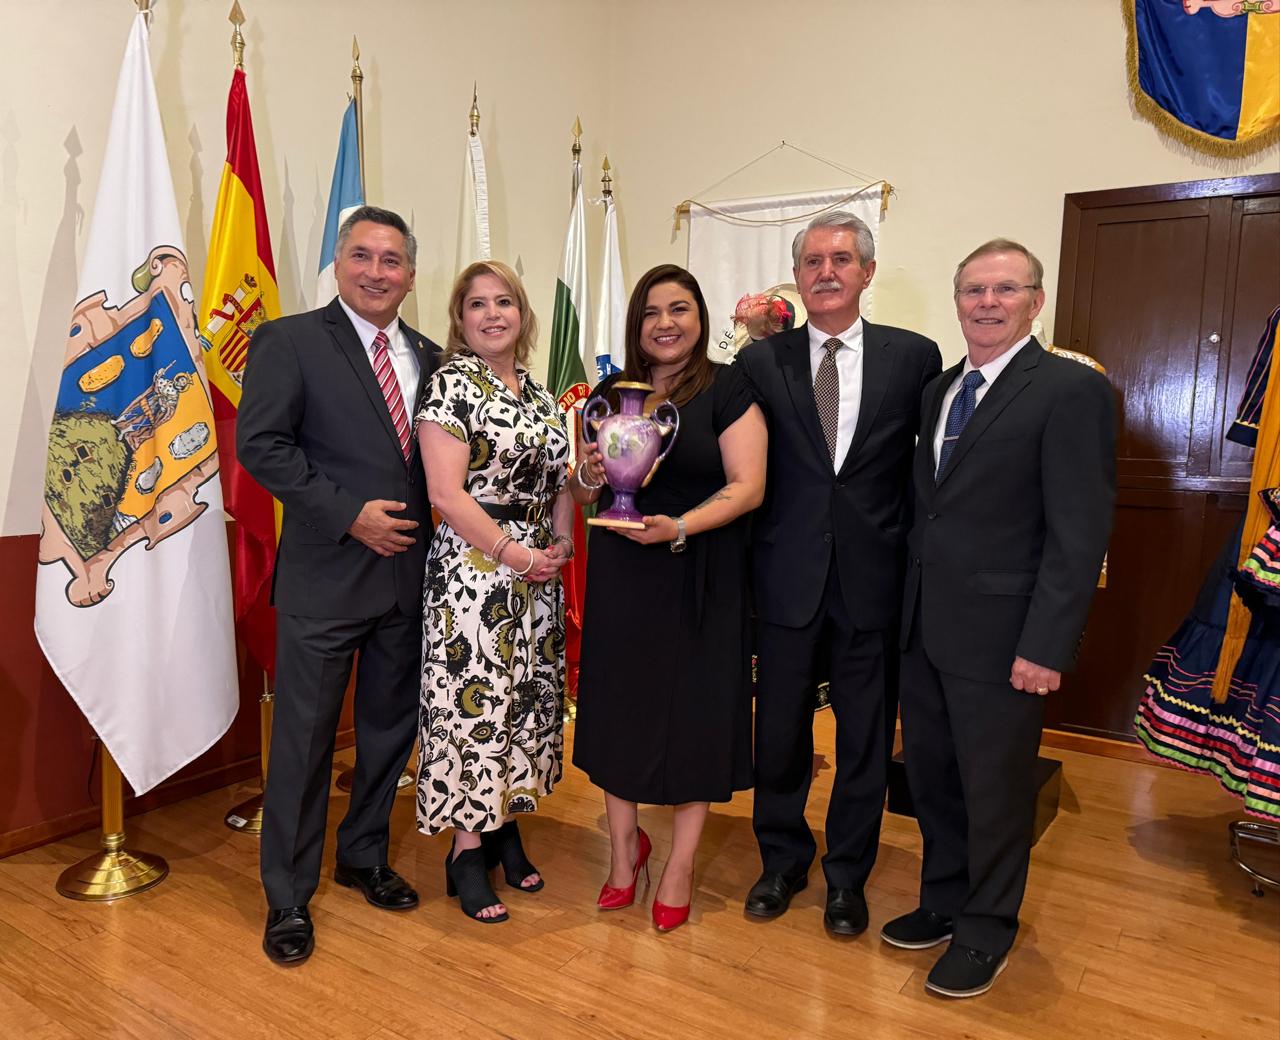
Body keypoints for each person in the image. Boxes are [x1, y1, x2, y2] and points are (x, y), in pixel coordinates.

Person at [886, 239, 1116, 998]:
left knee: (995, 793)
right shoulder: (939, 391)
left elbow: (1079, 534)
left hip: (1006, 639)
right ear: (957, 300)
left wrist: (1047, 644)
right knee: (934, 783)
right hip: (925, 630)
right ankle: (943, 902)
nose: (987, 302)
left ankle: (987, 930)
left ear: (1035, 301)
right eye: (974, 290)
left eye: (1006, 289)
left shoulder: (1069, 390)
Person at [237, 205, 439, 965]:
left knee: (388, 734)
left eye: (392, 260)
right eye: (362, 256)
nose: (376, 272)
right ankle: (288, 896)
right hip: (325, 579)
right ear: (339, 264)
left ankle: (362, 855)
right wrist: (349, 516)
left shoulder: (434, 356)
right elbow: (262, 445)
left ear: (410, 275)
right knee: (304, 742)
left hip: (409, 581)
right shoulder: (289, 341)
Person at [734, 212, 941, 937]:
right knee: (779, 735)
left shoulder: (913, 357)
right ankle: (782, 861)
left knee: (864, 739)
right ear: (798, 276)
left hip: (872, 581)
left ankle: (848, 875)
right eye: (814, 260)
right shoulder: (761, 362)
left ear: (867, 272)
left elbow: (926, 470)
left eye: (842, 259)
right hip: (784, 578)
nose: (827, 271)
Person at [572, 264, 767, 932]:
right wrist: (586, 473)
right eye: (652, 312)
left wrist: (679, 527)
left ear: (700, 319)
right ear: (636, 324)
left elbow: (748, 486)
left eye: (679, 309)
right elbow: (586, 493)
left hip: (700, 571)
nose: (665, 323)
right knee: (618, 712)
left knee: (696, 718)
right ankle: (624, 851)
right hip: (623, 573)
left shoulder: (728, 387)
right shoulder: (609, 393)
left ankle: (680, 865)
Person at [415, 260, 573, 924]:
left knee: (524, 702)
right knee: (472, 708)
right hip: (475, 575)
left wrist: (560, 543)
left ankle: (505, 822)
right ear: (460, 318)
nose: (491, 314)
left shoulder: (541, 393)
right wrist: (513, 553)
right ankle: (466, 850)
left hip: (537, 575)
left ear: (522, 313)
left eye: (503, 301)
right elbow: (445, 493)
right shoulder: (451, 384)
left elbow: (561, 481)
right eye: (476, 304)